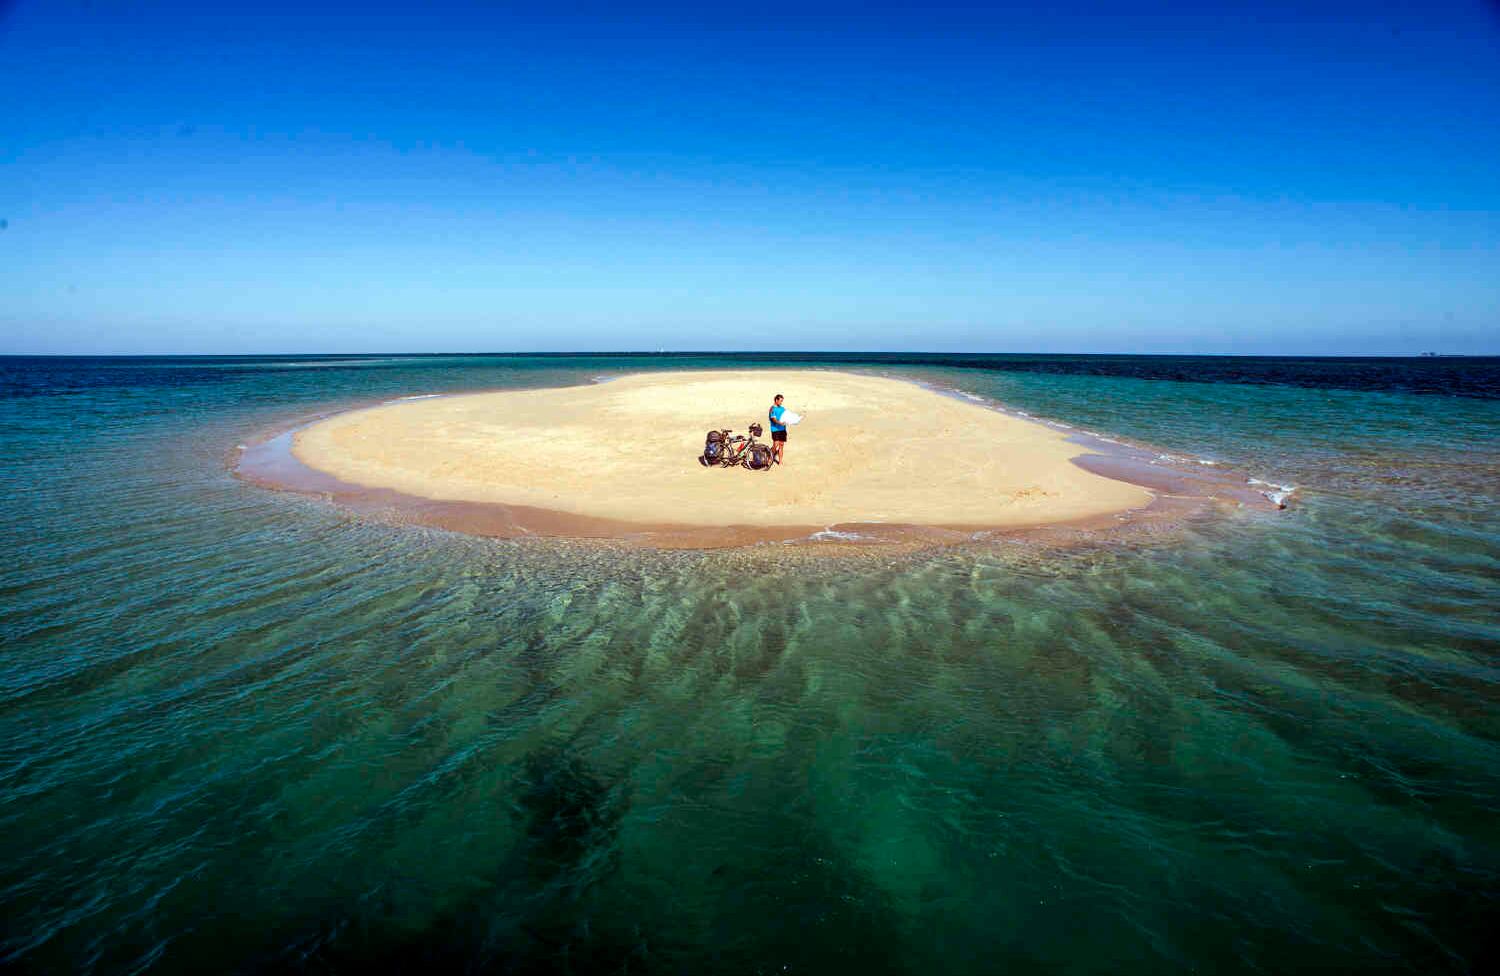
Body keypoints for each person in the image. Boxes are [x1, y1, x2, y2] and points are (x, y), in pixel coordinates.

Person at [768, 393, 788, 465]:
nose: (781, 402)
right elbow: (773, 419)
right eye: (780, 401)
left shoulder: (783, 409)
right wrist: (780, 423)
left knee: (781, 445)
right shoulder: (772, 408)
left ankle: (780, 461)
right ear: (776, 400)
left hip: (782, 429)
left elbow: (787, 416)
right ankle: (769, 458)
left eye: (782, 401)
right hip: (775, 429)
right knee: (775, 444)